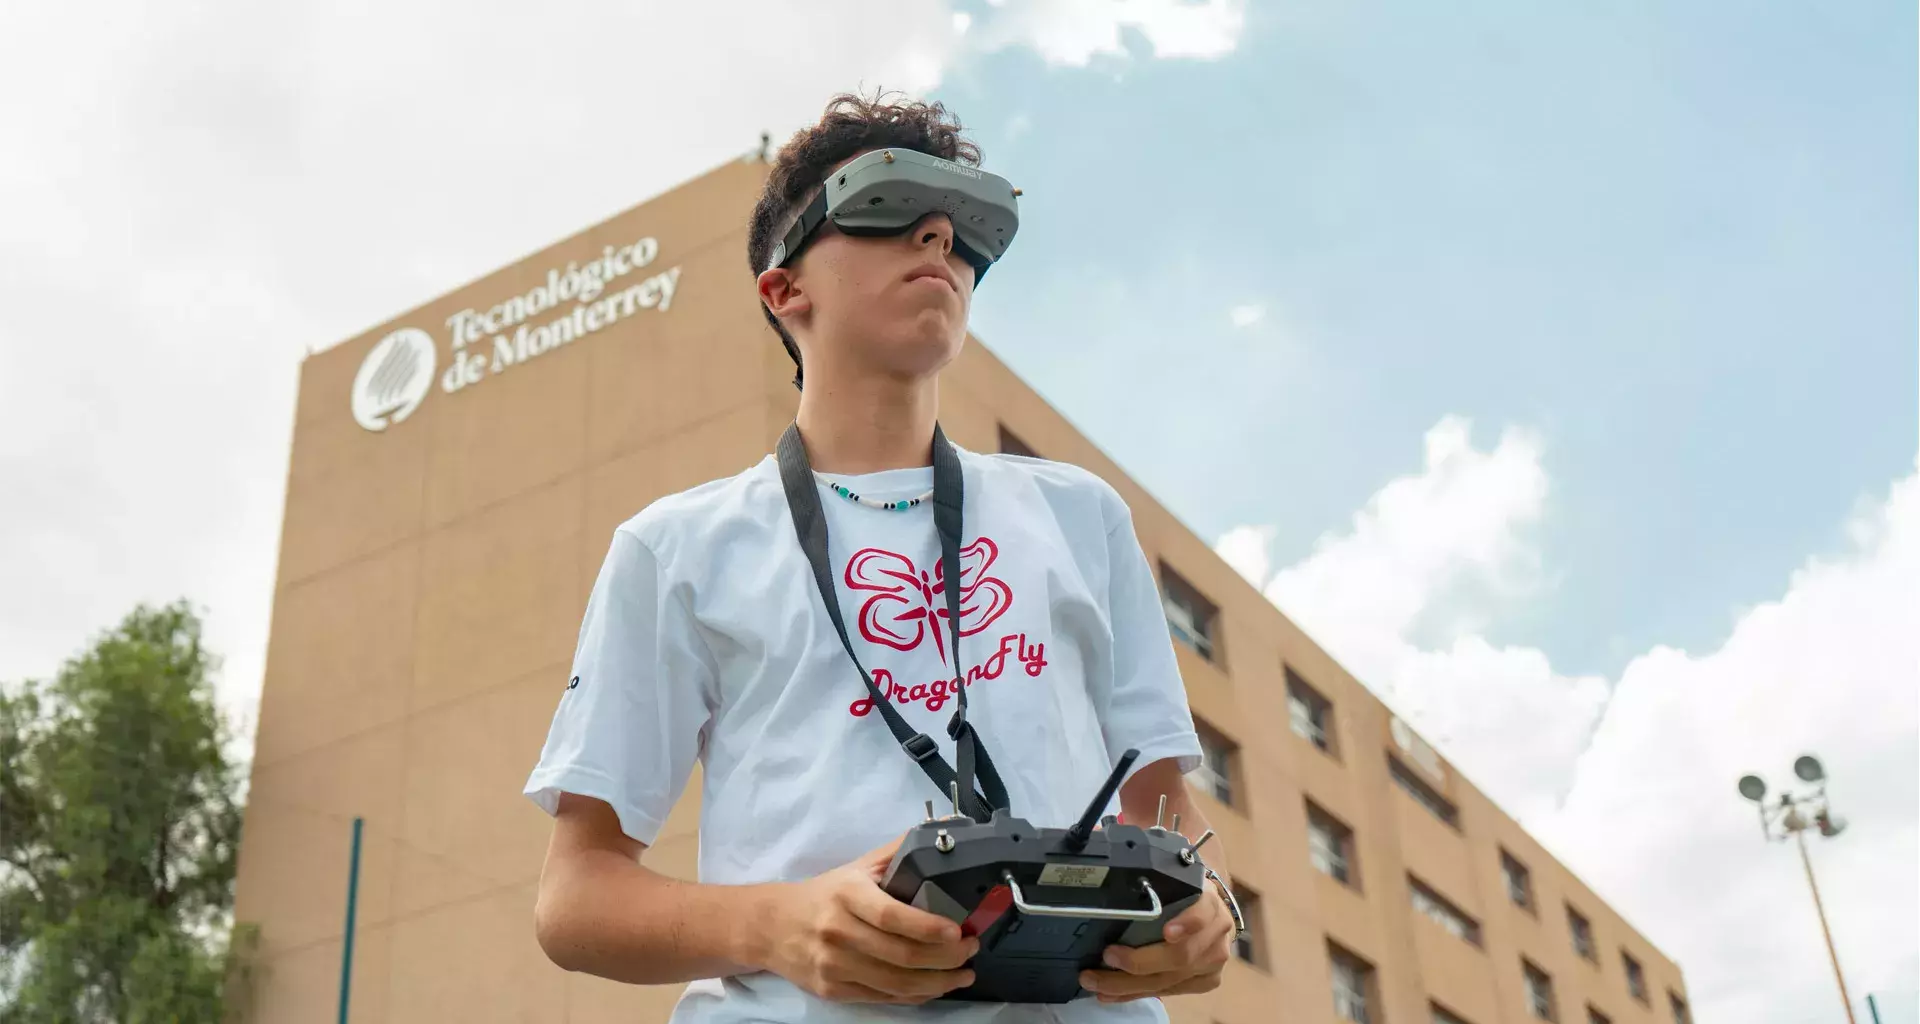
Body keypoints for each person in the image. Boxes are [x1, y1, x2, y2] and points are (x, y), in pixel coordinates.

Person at [523, 91, 1236, 1024]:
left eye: (961, 235)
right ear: (784, 290)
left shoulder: (1080, 516)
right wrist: (778, 925)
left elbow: (1165, 824)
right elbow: (575, 901)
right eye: (889, 211)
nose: (938, 240)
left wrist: (1204, 922)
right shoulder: (677, 549)